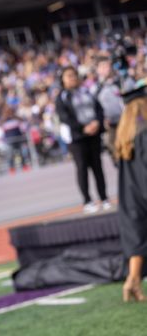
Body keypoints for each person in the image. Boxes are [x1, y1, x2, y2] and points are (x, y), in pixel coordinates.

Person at [56, 66, 111, 214]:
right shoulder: (62, 97)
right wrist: (83, 128)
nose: (73, 78)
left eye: (74, 75)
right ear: (63, 80)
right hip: (77, 139)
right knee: (82, 168)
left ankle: (104, 198)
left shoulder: (87, 91)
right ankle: (87, 201)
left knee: (97, 167)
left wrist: (97, 123)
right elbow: (65, 117)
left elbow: (99, 108)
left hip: (94, 135)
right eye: (69, 76)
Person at [114, 82, 147, 302]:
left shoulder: (123, 137)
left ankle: (132, 281)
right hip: (144, 191)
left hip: (129, 197)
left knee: (138, 239)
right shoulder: (145, 134)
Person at [93, 56, 123, 165]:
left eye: (107, 65)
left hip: (124, 121)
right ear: (97, 69)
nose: (106, 69)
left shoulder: (120, 81)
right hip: (109, 125)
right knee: (114, 151)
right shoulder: (96, 88)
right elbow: (95, 108)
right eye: (102, 66)